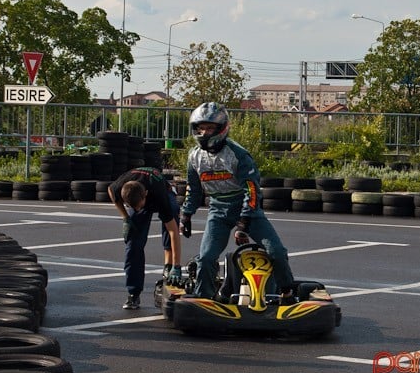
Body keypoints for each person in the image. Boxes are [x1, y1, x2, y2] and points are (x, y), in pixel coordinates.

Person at [179, 102, 295, 304]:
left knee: (276, 251)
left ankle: (287, 292)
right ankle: (203, 299)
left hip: (247, 209)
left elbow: (251, 191)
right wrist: (186, 214)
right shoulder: (194, 157)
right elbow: (194, 189)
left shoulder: (238, 155)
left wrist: (243, 223)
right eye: (201, 128)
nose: (204, 132)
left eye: (209, 128)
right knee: (206, 258)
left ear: (221, 128)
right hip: (218, 209)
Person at [108, 166, 181, 309]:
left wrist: (177, 266)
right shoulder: (120, 187)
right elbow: (111, 192)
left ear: (145, 195)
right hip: (137, 193)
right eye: (132, 207)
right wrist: (126, 218)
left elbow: (173, 231)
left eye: (139, 206)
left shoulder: (159, 195)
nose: (138, 210)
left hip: (165, 192)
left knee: (172, 213)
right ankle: (133, 294)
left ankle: (168, 267)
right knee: (133, 245)